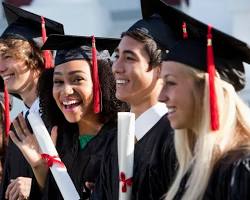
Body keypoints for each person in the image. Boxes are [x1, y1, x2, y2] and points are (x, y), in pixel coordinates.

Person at [9, 34, 129, 199]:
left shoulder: (123, 140)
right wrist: (40, 168)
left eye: (77, 79)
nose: (66, 91)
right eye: (58, 82)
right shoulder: (59, 141)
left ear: (101, 82)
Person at [157, 2, 250, 199]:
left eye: (171, 83)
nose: (161, 96)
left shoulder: (241, 169)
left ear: (207, 90)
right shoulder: (194, 166)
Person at [91, 13, 177, 200]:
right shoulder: (114, 141)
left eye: (129, 58)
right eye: (117, 56)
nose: (116, 67)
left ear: (161, 69)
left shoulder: (176, 139)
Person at [0, 3, 64, 200]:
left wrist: (38, 185)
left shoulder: (62, 117)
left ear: (37, 57)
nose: (1, 68)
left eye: (7, 56)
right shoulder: (18, 126)